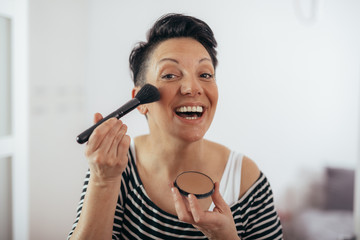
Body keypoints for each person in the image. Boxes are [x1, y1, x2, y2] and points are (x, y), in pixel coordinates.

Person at [68, 13, 283, 240]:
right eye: (170, 75)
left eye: (205, 74)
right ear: (140, 101)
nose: (192, 88)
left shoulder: (245, 180)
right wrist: (104, 181)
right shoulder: (116, 167)